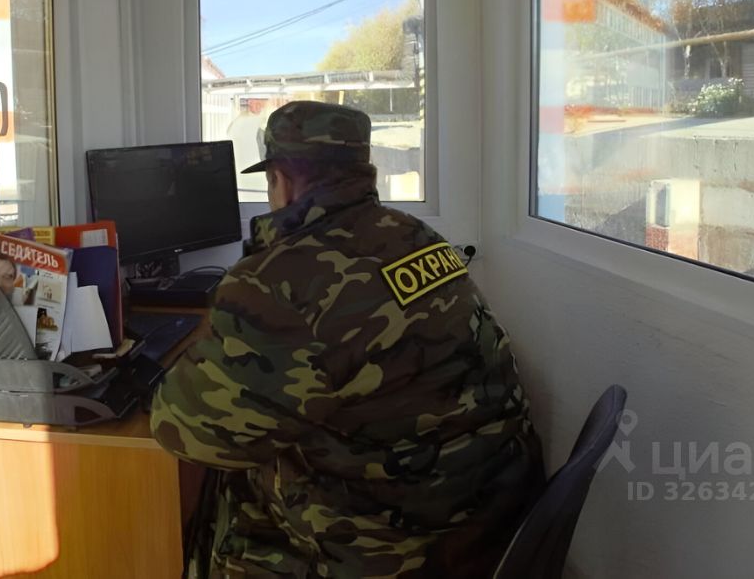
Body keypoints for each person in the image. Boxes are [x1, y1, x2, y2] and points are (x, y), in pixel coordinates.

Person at [150, 100, 543, 579]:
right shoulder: (418, 237)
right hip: (488, 517)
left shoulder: (276, 281)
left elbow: (182, 431)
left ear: (281, 180)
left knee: (229, 495)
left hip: (392, 549)